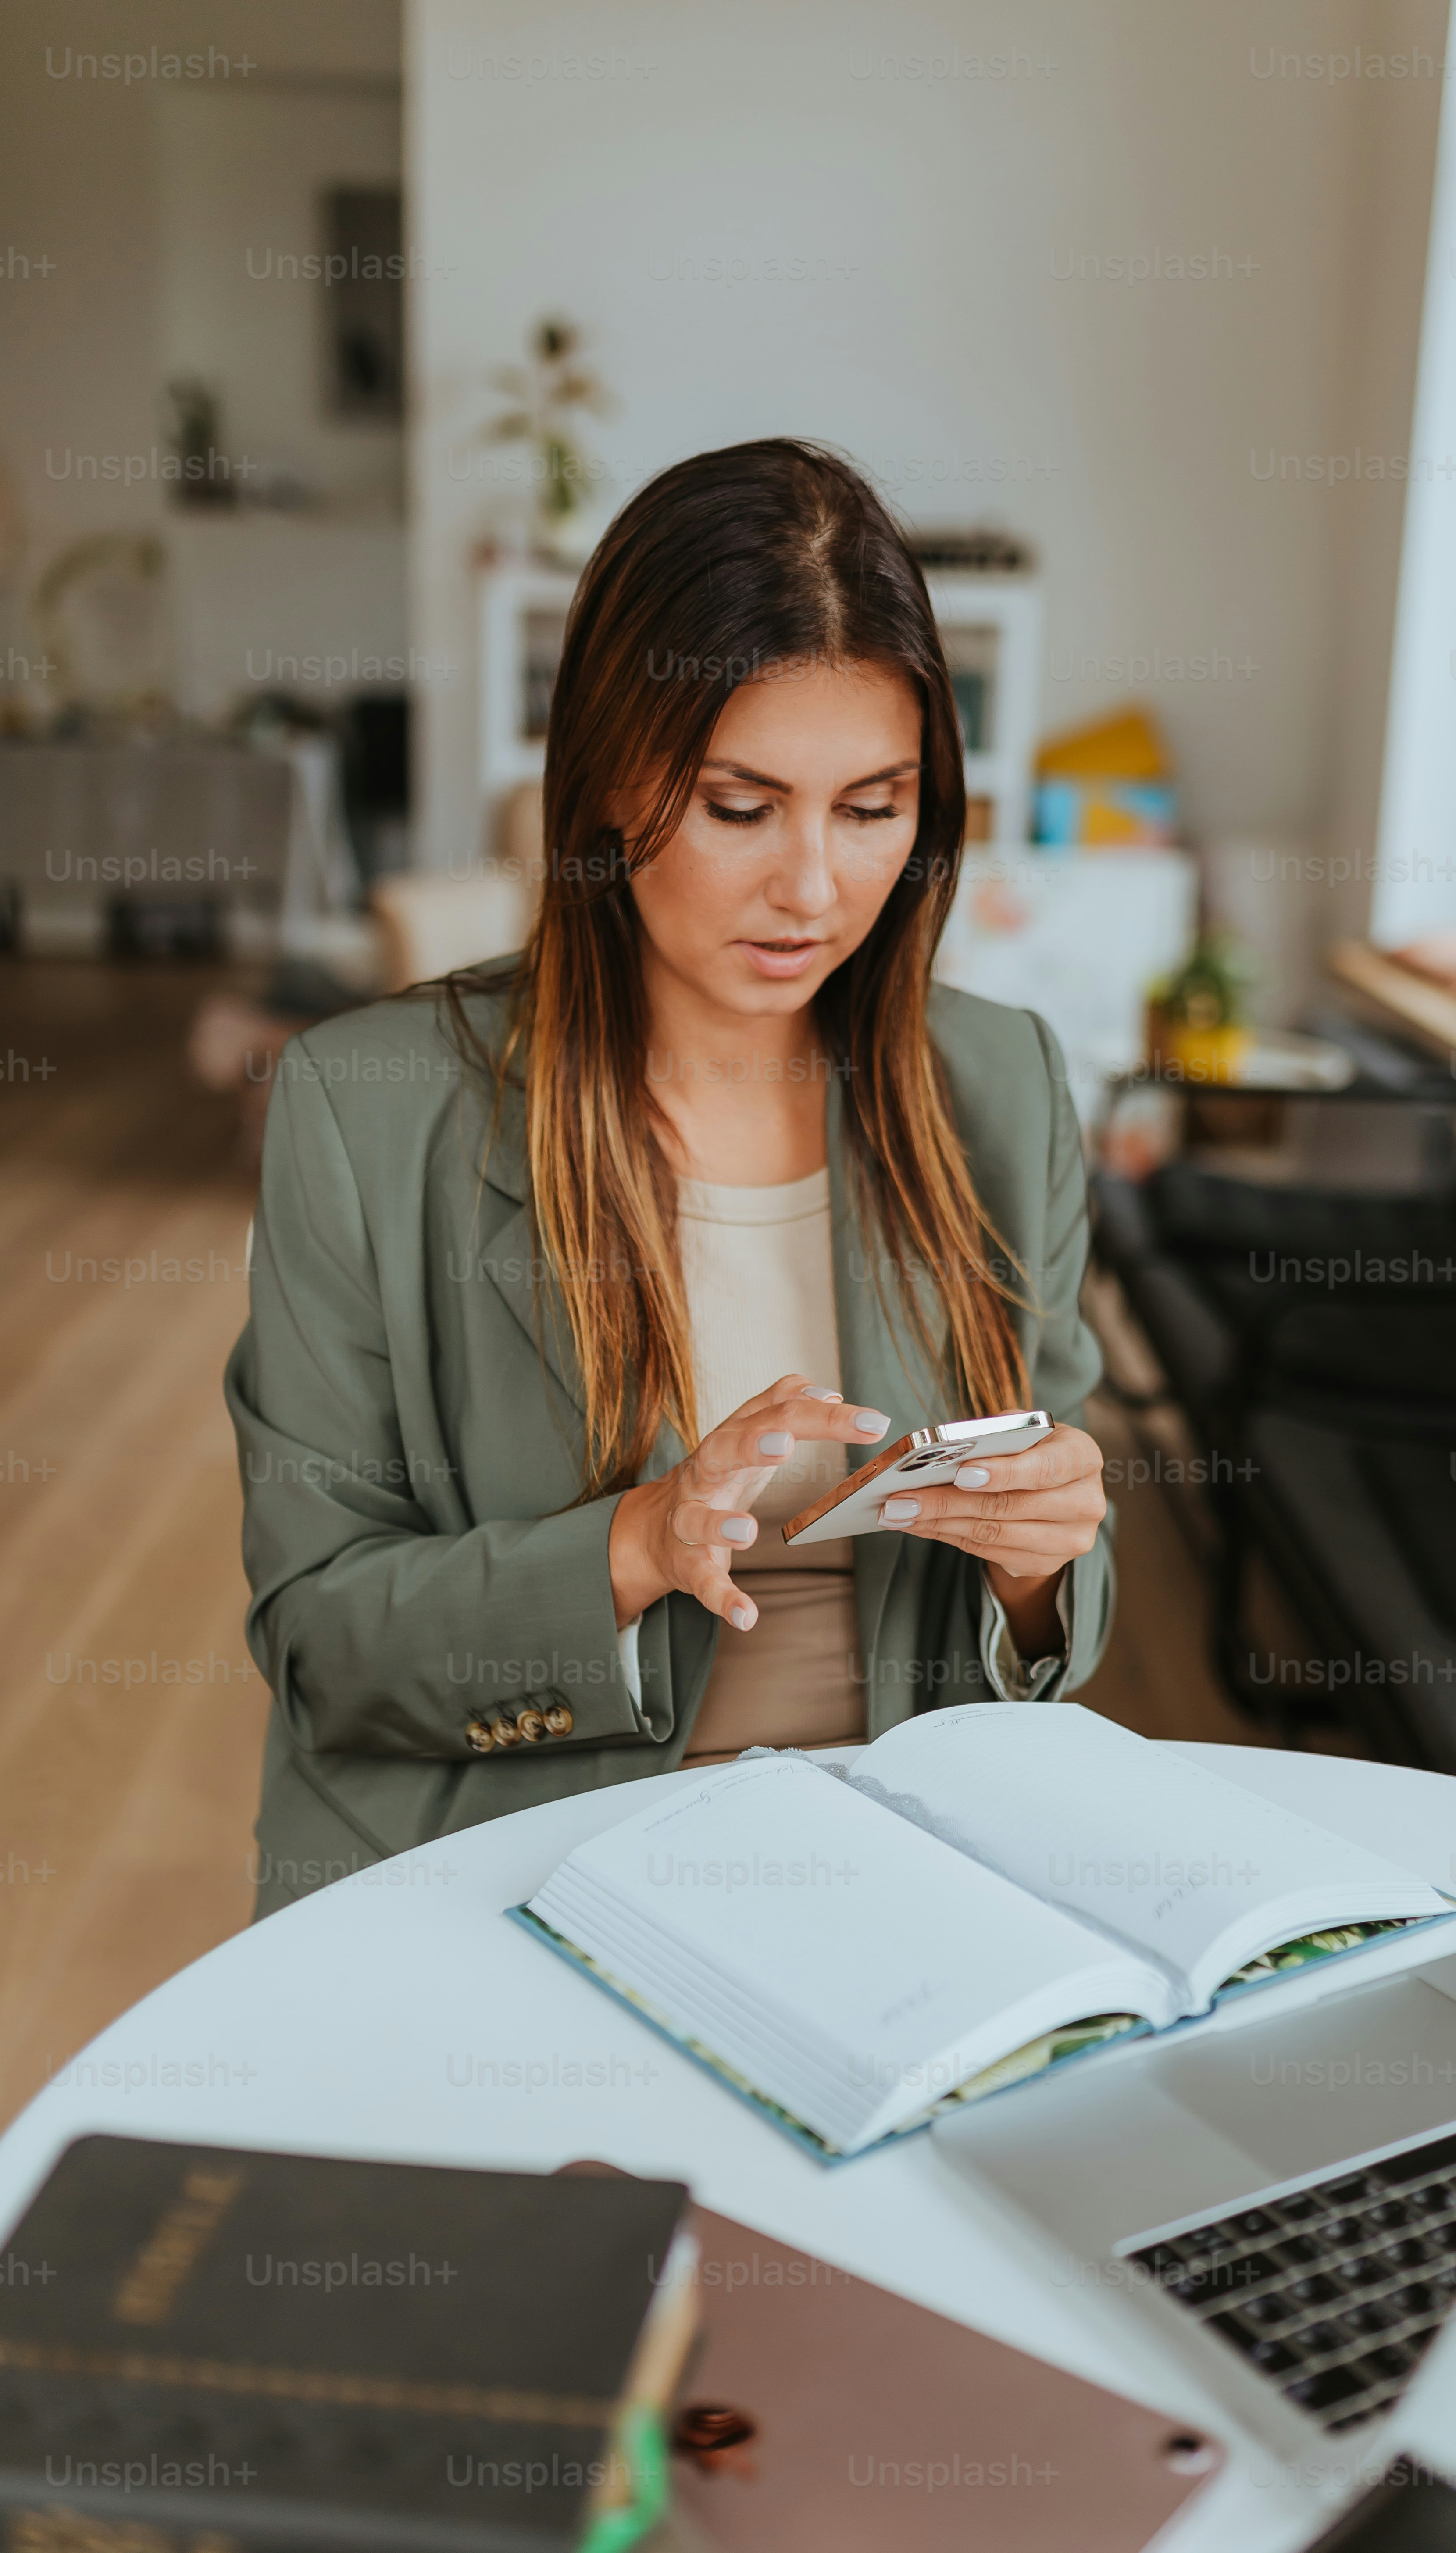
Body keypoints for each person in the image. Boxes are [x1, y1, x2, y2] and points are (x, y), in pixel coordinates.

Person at [227, 439, 1114, 1911]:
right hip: (527, 1863)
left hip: (906, 1863)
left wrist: (1038, 1564)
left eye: (872, 806)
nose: (814, 887)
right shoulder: (367, 1109)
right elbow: (323, 1639)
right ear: (605, 784)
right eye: (739, 806)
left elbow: (1055, 1618)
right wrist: (632, 1543)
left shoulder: (1000, 1085)